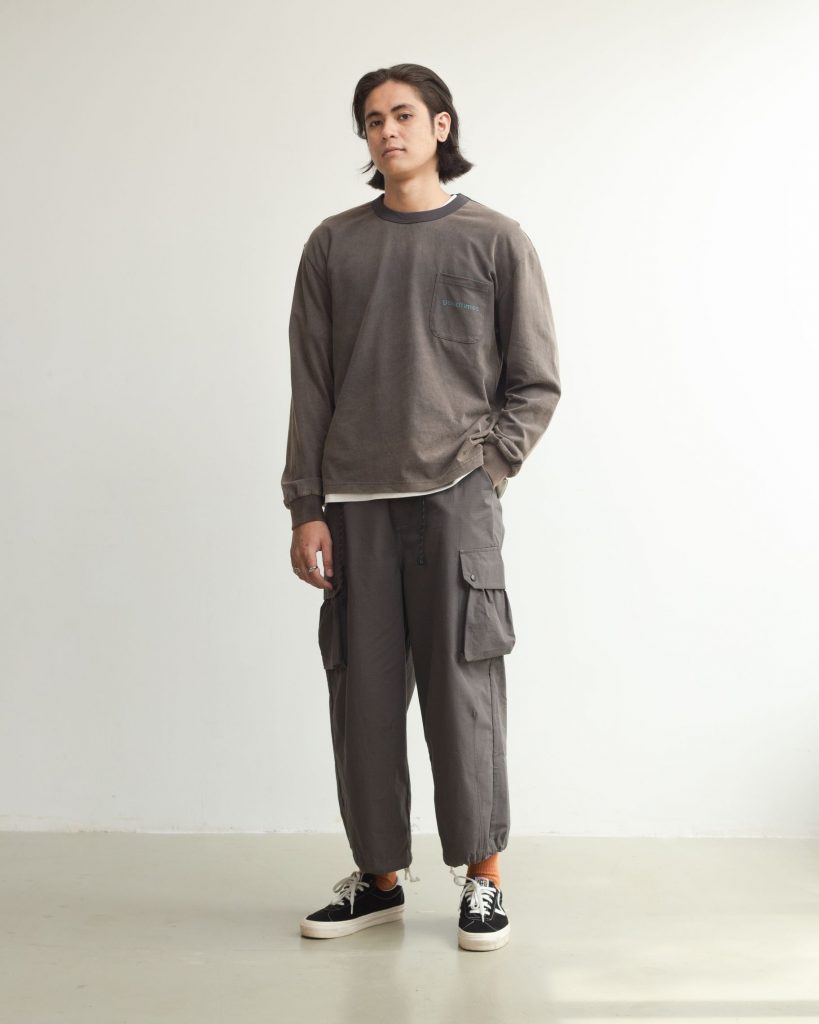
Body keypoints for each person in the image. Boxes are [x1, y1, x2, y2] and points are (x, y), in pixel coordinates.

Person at [281, 63, 561, 951]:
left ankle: (482, 879)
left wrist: (487, 469)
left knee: (462, 692)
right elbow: (310, 383)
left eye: (402, 114)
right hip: (354, 505)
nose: (387, 131)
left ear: (441, 125)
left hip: (453, 503)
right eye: (372, 120)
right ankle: (379, 881)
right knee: (361, 701)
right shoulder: (333, 244)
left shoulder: (494, 239)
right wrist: (304, 504)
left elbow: (534, 381)